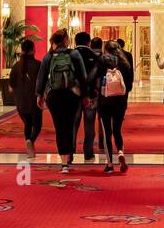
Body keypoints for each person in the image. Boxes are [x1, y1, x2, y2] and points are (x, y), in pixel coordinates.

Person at [36, 29, 87, 173]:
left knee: (59, 127)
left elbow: (41, 77)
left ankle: (64, 163)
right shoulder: (74, 54)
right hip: (71, 94)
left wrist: (39, 95)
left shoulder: (49, 56)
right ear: (66, 40)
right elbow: (83, 77)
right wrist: (85, 95)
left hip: (54, 96)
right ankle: (68, 155)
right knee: (69, 125)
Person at [96, 40, 133, 173]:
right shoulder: (124, 62)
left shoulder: (101, 61)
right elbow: (129, 83)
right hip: (120, 101)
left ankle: (109, 164)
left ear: (105, 49)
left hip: (104, 100)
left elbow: (94, 78)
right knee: (117, 129)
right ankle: (121, 152)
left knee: (107, 132)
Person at [7, 38, 42, 157]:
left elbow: (11, 86)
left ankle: (28, 142)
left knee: (28, 124)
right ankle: (30, 141)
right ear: (33, 50)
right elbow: (42, 82)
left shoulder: (16, 66)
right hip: (34, 101)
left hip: (20, 103)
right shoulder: (38, 65)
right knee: (37, 126)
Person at [72, 33, 101, 161]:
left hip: (74, 94)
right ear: (89, 42)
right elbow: (98, 78)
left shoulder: (70, 55)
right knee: (89, 124)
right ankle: (88, 152)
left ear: (75, 41)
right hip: (91, 95)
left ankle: (70, 151)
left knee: (73, 124)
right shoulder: (94, 57)